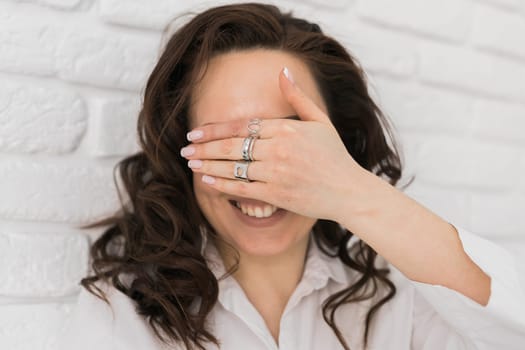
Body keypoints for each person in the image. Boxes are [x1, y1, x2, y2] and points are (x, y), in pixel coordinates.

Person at [58, 3, 525, 350]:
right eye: (228, 147)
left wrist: (356, 194)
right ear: (182, 154)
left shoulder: (402, 302)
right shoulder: (121, 311)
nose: (261, 176)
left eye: (287, 145)